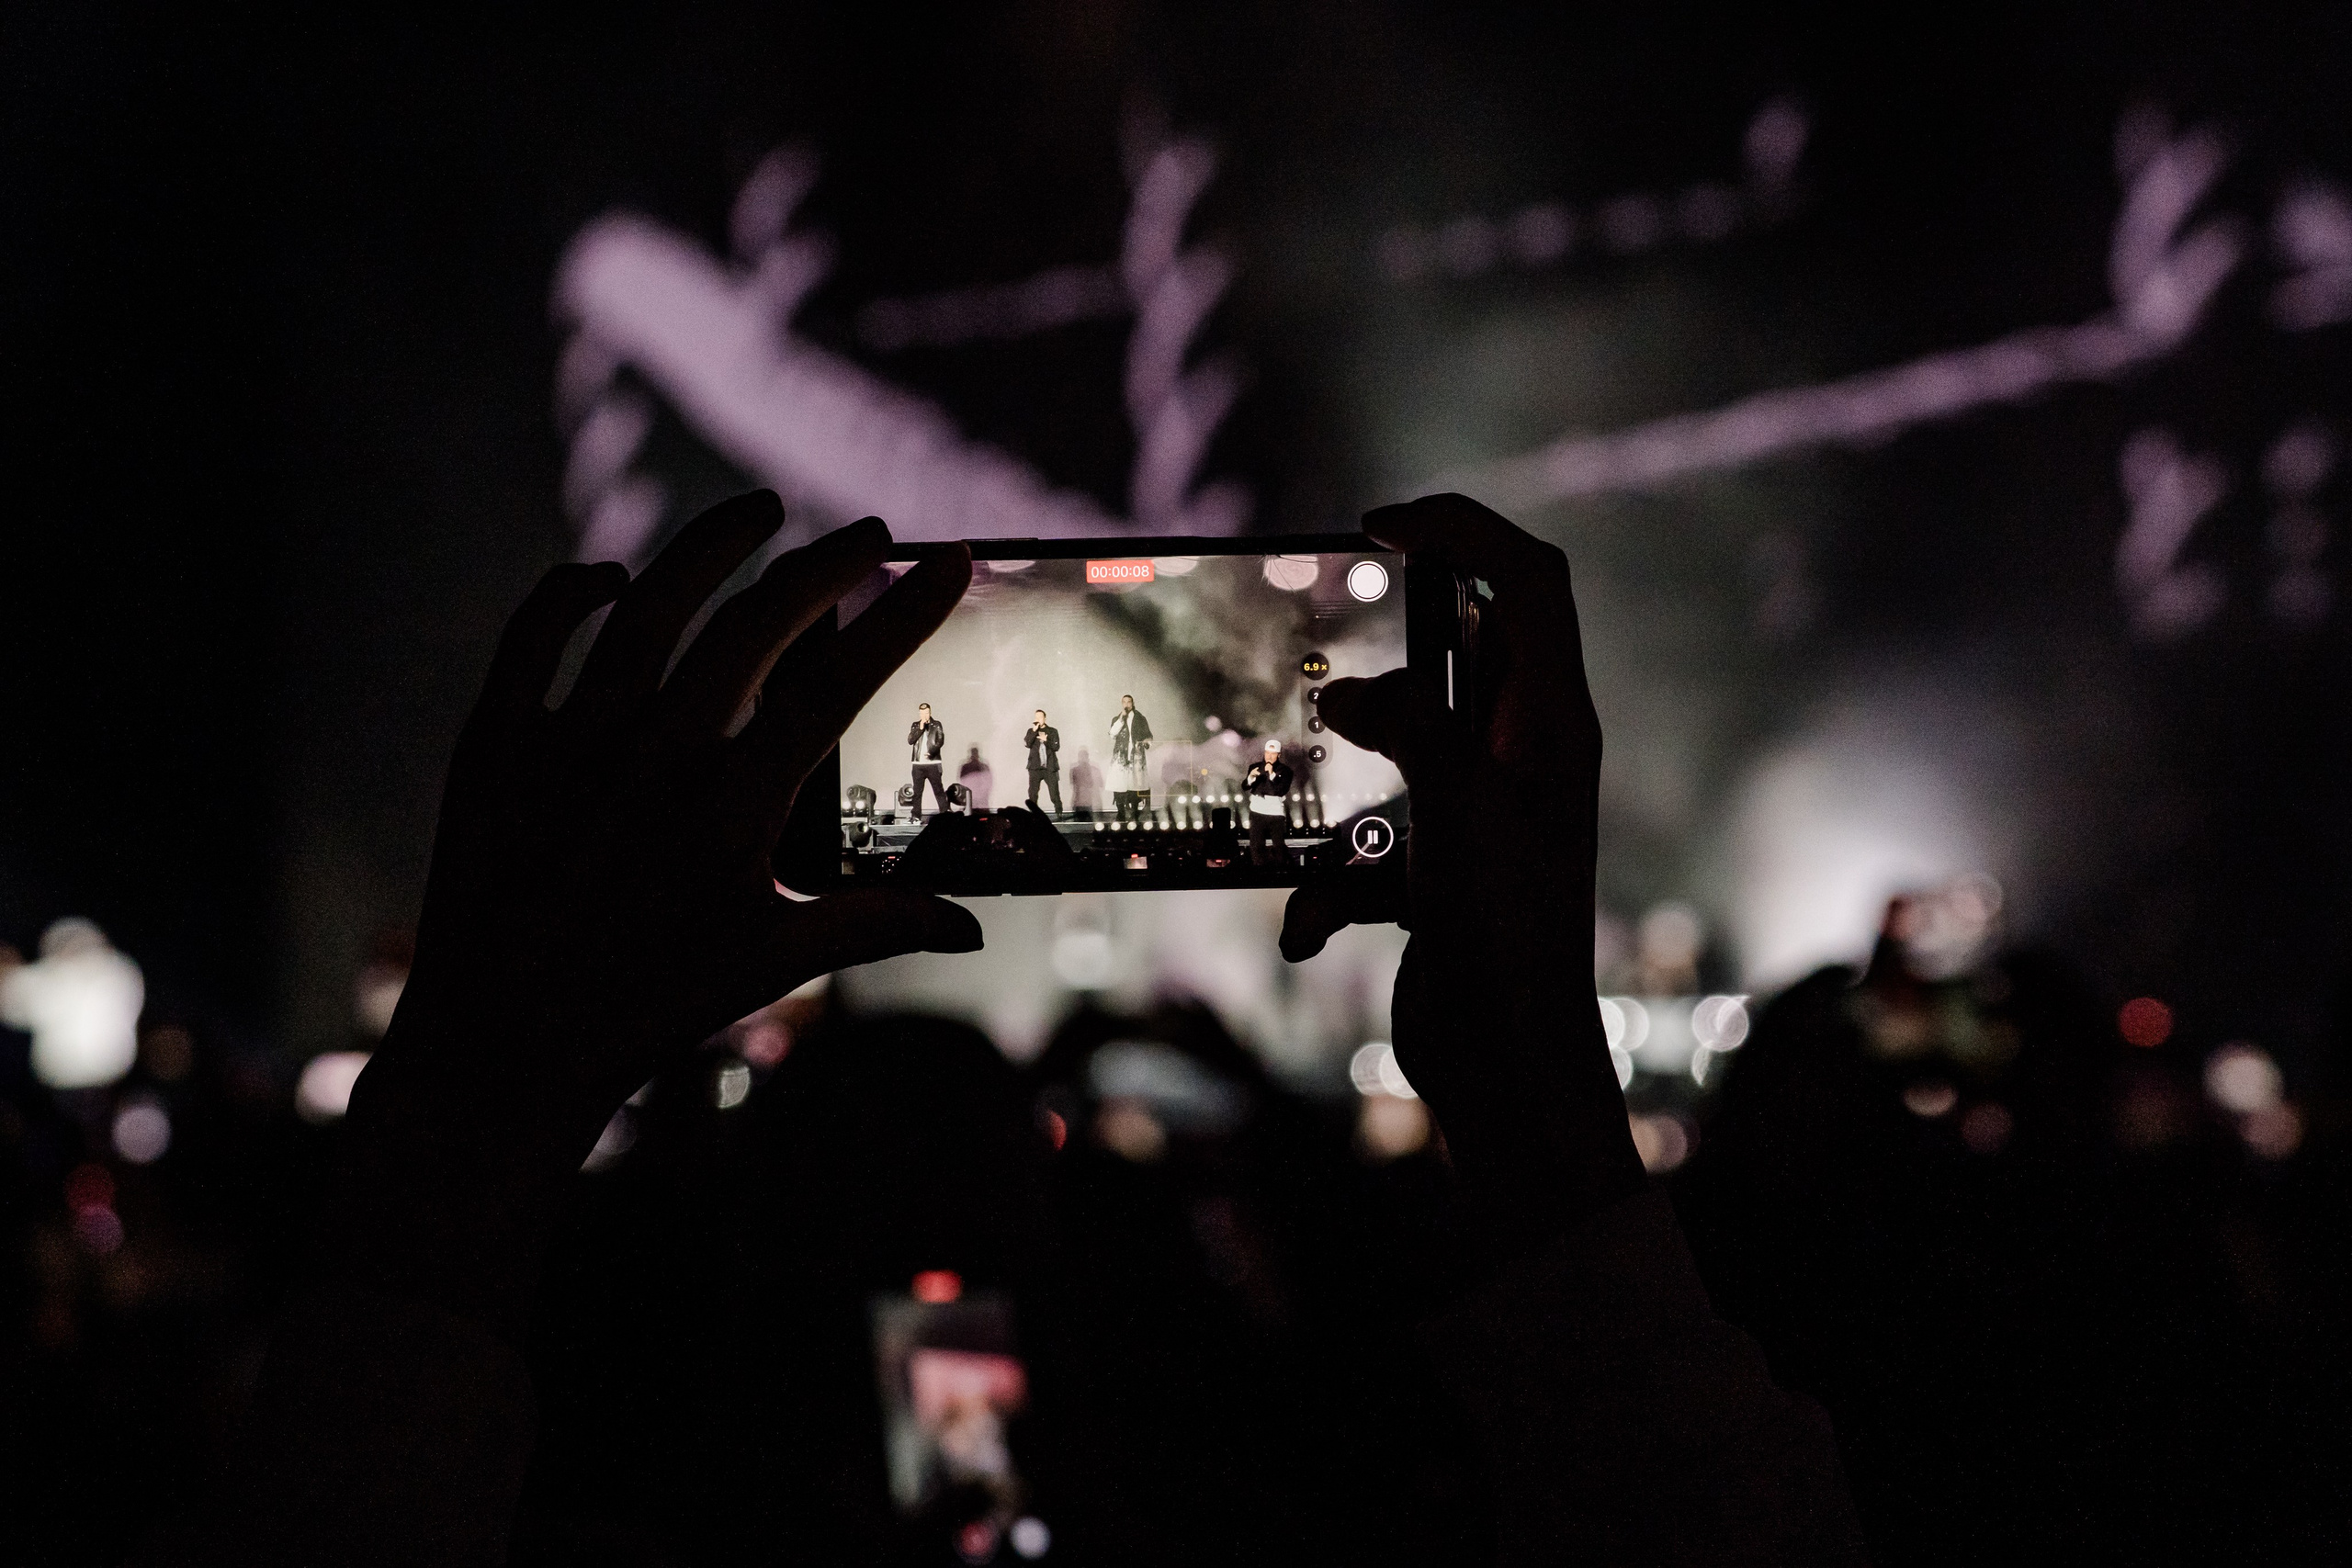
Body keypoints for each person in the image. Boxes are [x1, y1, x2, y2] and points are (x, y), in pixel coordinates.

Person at [189, 491, 1861, 1567]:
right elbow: (978, 1532)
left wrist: (469, 1135)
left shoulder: (693, 1413)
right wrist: (1537, 1112)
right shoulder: (1044, 1397)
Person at [1243, 738, 1293, 865]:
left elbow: (1281, 790)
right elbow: (1245, 786)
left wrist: (1272, 775)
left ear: (1279, 755)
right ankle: (1259, 870)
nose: (1269, 756)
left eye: (1273, 754)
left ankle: (1281, 870)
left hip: (1275, 812)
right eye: (1267, 753)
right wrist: (1251, 777)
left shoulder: (1285, 771)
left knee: (1278, 845)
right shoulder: (1255, 767)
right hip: (1257, 810)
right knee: (1256, 844)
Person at [1110, 694, 1151, 824]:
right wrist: (1121, 718)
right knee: (1119, 784)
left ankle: (1134, 811)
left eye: (1129, 702)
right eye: (1124, 702)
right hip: (1121, 756)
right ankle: (1121, 812)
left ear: (1133, 703)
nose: (1127, 704)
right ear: (1122, 704)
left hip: (1136, 756)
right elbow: (1112, 734)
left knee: (1135, 785)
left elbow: (1148, 735)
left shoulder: (1140, 718)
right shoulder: (1117, 719)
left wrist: (1146, 741)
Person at [908, 701, 946, 818]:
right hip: (918, 764)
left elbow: (940, 741)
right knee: (917, 792)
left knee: (938, 790)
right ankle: (915, 817)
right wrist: (920, 728)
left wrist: (931, 752)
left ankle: (945, 816)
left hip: (933, 763)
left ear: (930, 712)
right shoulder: (915, 725)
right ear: (919, 714)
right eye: (922, 713)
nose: (924, 715)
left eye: (927, 713)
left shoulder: (936, 725)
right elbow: (910, 740)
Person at [1023, 708, 1061, 815]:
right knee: (1033, 793)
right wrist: (1034, 731)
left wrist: (1046, 741)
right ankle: (1034, 814)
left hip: (1050, 767)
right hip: (1035, 767)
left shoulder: (1053, 731)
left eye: (1040, 717)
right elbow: (1027, 744)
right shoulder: (1031, 731)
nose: (1038, 719)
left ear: (1045, 718)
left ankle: (1059, 812)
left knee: (1054, 793)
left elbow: (1056, 747)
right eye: (1036, 717)